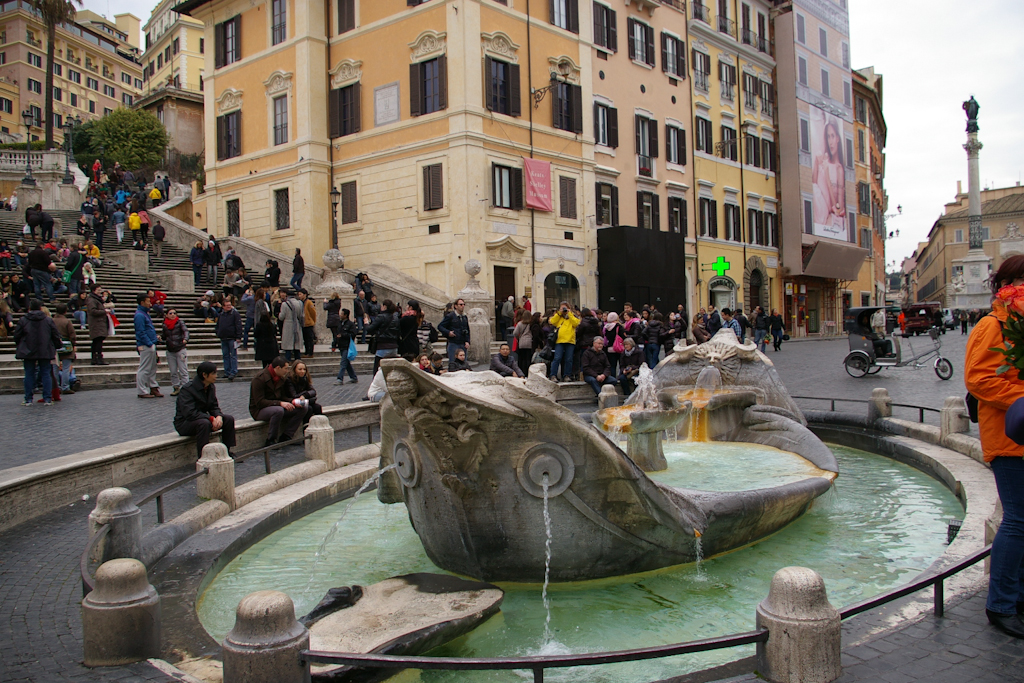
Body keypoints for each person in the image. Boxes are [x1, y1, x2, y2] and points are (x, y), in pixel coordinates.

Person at [964, 255, 1024, 639]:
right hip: (1009, 438)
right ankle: (1000, 603)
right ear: (1008, 284)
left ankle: (1016, 597)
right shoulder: (992, 325)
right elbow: (979, 379)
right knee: (1017, 520)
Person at [173, 362, 236, 460]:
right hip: (185, 423)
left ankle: (227, 451)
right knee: (204, 423)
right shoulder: (187, 390)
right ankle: (203, 456)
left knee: (228, 419)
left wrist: (218, 416)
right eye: (213, 373)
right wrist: (210, 418)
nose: (216, 376)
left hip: (202, 419)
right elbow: (189, 413)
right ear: (204, 375)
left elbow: (214, 406)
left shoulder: (210, 387)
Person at [14, 298, 63, 406]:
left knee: (29, 374)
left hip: (28, 349)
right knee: (46, 373)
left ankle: (28, 398)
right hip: (44, 349)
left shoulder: (23, 320)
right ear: (40, 308)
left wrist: (20, 345)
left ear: (30, 308)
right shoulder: (48, 320)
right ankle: (47, 398)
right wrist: (57, 345)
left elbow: (17, 335)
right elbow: (55, 335)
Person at [249, 357, 307, 447]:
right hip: (259, 410)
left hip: (276, 406)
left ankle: (286, 436)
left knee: (303, 408)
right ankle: (270, 440)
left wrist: (293, 401)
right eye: (285, 368)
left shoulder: (281, 378)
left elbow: (282, 396)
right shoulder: (259, 379)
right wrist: (279, 403)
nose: (287, 371)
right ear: (278, 368)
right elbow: (259, 402)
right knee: (278, 410)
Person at [811, 118, 846, 232]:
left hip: (830, 217)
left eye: (833, 136)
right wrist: (817, 165)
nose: (830, 141)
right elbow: (813, 188)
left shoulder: (839, 169)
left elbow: (838, 209)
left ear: (838, 139)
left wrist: (827, 177)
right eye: (828, 136)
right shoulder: (822, 160)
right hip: (818, 214)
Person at [135, 293, 163, 399]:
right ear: (142, 302)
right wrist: (150, 343)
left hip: (150, 343)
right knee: (145, 368)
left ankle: (153, 386)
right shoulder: (140, 315)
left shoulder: (144, 313)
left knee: (152, 367)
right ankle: (142, 390)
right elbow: (141, 332)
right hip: (146, 344)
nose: (150, 303)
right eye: (148, 301)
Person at [366, 299, 400, 375]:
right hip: (394, 346)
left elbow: (370, 329)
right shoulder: (396, 318)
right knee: (391, 370)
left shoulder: (381, 317)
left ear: (384, 307)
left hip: (383, 346)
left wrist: (366, 323)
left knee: (377, 370)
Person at [549, 302, 580, 382]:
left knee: (569, 359)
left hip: (570, 341)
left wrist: (569, 314)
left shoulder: (572, 316)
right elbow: (552, 322)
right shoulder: (559, 317)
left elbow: (576, 323)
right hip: (560, 341)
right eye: (562, 308)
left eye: (565, 308)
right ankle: (553, 375)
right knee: (557, 358)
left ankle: (567, 375)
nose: (564, 310)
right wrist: (559, 313)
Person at [162, 308, 189, 395]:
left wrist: (185, 339)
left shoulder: (180, 322)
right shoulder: (165, 324)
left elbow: (185, 331)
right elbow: (164, 336)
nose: (173, 315)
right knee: (173, 371)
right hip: (170, 350)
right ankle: (176, 387)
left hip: (180, 348)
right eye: (170, 313)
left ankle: (185, 388)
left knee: (183, 370)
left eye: (174, 313)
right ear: (167, 315)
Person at [53, 303, 77, 394]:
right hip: (66, 345)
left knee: (55, 367)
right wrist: (73, 344)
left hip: (54, 346)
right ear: (65, 311)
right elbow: (72, 335)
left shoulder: (51, 321)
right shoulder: (67, 321)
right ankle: (65, 387)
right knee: (66, 368)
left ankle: (56, 387)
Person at [217, 297, 243, 381]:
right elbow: (218, 325)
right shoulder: (221, 314)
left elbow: (238, 325)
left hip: (232, 337)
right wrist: (218, 332)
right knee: (225, 355)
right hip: (223, 337)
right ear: (223, 307)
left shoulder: (235, 314)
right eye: (227, 306)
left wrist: (238, 336)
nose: (229, 307)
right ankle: (227, 371)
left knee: (233, 355)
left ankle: (233, 371)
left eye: (230, 305)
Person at [438, 298, 471, 364]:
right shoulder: (450, 316)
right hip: (454, 343)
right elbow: (440, 326)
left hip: (463, 344)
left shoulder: (464, 317)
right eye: (461, 304)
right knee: (453, 363)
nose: (463, 306)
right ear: (456, 306)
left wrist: (467, 341)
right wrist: (448, 332)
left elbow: (467, 330)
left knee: (463, 364)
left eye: (464, 304)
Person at [86, 283, 109, 365]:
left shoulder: (96, 299)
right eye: (98, 290)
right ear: (93, 290)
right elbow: (92, 311)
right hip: (96, 323)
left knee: (97, 341)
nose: (100, 292)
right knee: (97, 341)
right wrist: (104, 311)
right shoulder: (92, 300)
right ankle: (98, 358)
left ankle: (95, 358)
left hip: (99, 323)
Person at [278, 290, 304, 361]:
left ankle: (288, 360)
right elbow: (302, 316)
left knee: (288, 344)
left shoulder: (284, 304)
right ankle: (298, 359)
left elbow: (281, 317)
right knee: (296, 344)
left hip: (288, 324)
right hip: (297, 324)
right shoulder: (300, 303)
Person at [334, 309, 358, 384]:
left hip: (347, 346)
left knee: (343, 363)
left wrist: (343, 335)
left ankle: (340, 378)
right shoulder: (340, 323)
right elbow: (336, 334)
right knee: (347, 363)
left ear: (346, 315)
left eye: (342, 314)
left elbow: (353, 334)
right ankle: (353, 377)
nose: (340, 315)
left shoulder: (351, 324)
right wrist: (334, 344)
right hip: (341, 345)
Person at [299, 289, 317, 358]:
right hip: (303, 323)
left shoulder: (309, 302)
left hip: (308, 323)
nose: (299, 296)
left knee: (310, 339)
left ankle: (310, 352)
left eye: (300, 294)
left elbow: (313, 312)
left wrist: (312, 320)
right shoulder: (301, 302)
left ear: (305, 295)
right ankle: (307, 352)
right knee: (305, 339)